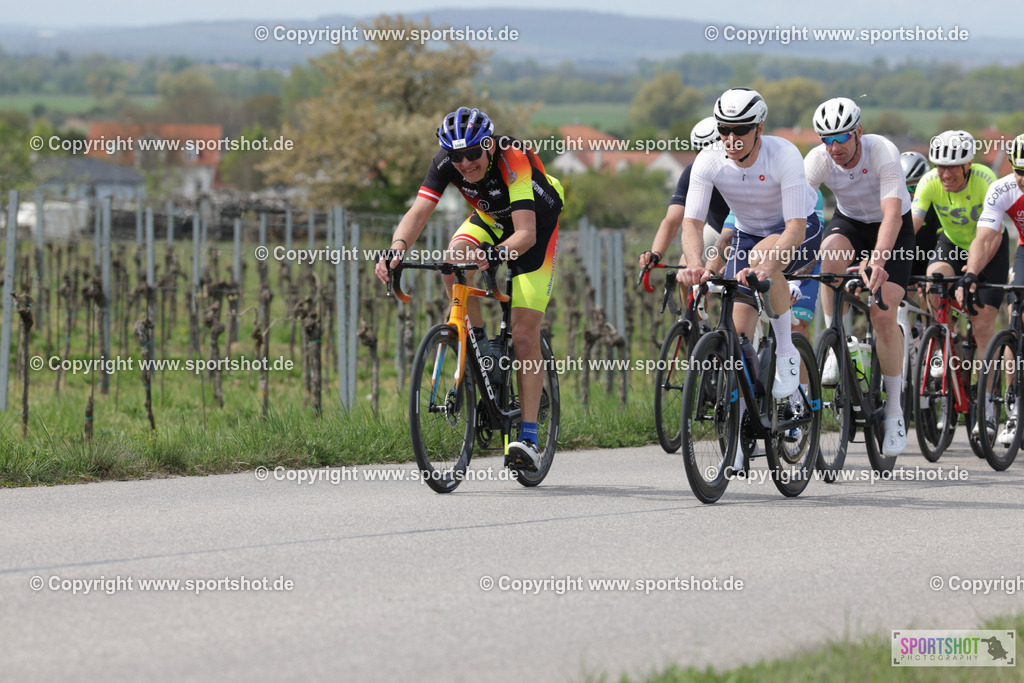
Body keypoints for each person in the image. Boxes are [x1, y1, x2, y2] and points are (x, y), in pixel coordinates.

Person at [374, 107, 563, 471]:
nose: (464, 163)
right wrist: (396, 250)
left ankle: (529, 438)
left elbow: (525, 233)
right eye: (456, 156)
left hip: (534, 226)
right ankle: (480, 343)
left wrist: (496, 254)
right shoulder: (446, 161)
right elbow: (419, 212)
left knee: (524, 334)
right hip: (493, 218)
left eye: (473, 153)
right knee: (453, 262)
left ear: (488, 145)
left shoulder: (512, 157)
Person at [677, 87, 822, 417]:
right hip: (748, 234)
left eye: (741, 129)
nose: (731, 138)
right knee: (738, 337)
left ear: (759, 128)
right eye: (724, 129)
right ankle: (743, 426)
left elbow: (795, 228)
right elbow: (692, 223)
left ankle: (786, 352)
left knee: (762, 258)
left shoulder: (783, 154)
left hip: (798, 230)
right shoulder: (709, 160)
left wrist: (767, 266)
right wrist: (695, 264)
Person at [804, 96, 915, 456]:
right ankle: (834, 339)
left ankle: (894, 412)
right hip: (850, 222)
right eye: (827, 139)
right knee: (830, 254)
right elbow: (795, 209)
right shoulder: (819, 160)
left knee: (883, 314)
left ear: (858, 133)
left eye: (841, 138)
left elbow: (892, 214)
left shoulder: (882, 151)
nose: (834, 147)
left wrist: (879, 260)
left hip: (893, 228)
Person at [914, 129, 1005, 440]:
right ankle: (945, 341)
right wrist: (884, 259)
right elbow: (910, 227)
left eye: (953, 167)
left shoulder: (986, 179)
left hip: (989, 246)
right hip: (952, 245)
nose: (946, 174)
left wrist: (974, 272)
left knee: (982, 326)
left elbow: (991, 235)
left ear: (968, 165)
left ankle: (988, 405)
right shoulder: (929, 182)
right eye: (941, 167)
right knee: (933, 280)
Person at [958, 133, 1024, 444]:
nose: (1023, 179)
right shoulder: (1002, 189)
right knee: (1016, 318)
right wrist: (972, 273)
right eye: (1020, 171)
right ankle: (1014, 410)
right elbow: (984, 238)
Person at [640, 117, 731, 273]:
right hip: (716, 229)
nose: (704, 158)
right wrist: (655, 253)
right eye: (699, 152)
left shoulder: (739, 168)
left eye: (710, 151)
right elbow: (672, 221)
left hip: (747, 231)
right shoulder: (692, 171)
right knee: (685, 271)